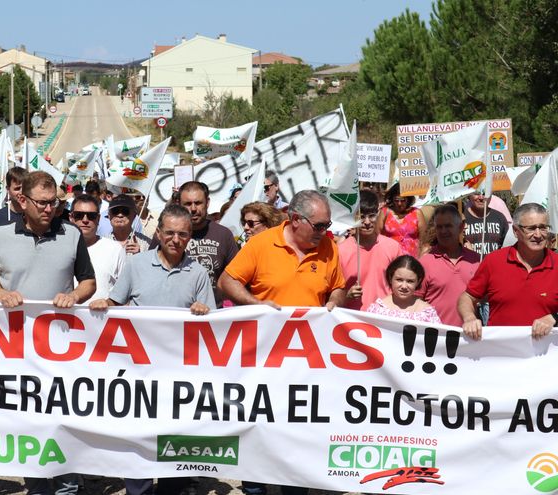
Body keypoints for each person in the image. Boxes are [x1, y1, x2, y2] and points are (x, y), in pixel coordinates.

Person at [218, 190, 345, 495]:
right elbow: (227, 281)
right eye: (319, 225)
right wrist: (253, 303)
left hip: (307, 362)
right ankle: (254, 487)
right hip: (263, 358)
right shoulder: (262, 243)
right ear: (295, 219)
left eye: (327, 225)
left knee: (296, 432)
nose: (325, 232)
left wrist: (334, 304)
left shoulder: (329, 247)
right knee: (258, 425)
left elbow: (338, 287)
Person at [0, 170, 95, 495]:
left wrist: (75, 295)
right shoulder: (0, 236)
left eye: (54, 202)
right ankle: (38, 488)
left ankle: (67, 487)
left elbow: (88, 281)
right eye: (42, 203)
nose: (49, 208)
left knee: (62, 424)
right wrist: (0, 293)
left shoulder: (71, 234)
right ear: (22, 200)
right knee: (29, 427)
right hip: (18, 352)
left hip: (61, 351)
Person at [90, 204, 214, 495]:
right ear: (158, 232)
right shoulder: (136, 265)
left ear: (190, 237)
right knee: (140, 441)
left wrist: (203, 309)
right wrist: (102, 304)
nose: (175, 239)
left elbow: (212, 324)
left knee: (176, 438)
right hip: (139, 373)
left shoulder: (198, 273)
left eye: (182, 234)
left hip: (180, 373)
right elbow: (116, 303)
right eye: (169, 232)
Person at [459, 203, 558, 340]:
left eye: (543, 228)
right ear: (516, 231)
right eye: (531, 228)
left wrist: (554, 318)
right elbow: (467, 297)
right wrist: (469, 318)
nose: (538, 234)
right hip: (501, 356)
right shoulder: (494, 261)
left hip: (545, 356)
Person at [155, 181, 238, 306]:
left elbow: (236, 277)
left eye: (198, 203)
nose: (193, 209)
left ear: (207, 202)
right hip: (174, 313)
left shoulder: (224, 235)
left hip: (213, 314)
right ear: (178, 204)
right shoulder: (165, 234)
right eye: (188, 204)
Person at [338, 190, 402, 311]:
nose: (367, 222)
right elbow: (331, 294)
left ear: (378, 214)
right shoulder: (340, 251)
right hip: (352, 320)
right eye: (361, 217)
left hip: (384, 318)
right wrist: (346, 296)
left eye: (371, 216)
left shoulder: (393, 247)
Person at [418, 204, 480, 326]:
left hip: (469, 337)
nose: (443, 231)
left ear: (461, 227)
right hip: (436, 337)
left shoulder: (475, 259)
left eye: (448, 226)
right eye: (439, 227)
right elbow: (416, 301)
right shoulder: (425, 262)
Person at [70, 194, 125, 302]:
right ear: (71, 217)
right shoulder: (59, 248)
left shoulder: (115, 249)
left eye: (91, 216)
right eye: (79, 215)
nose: (85, 220)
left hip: (102, 317)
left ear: (98, 218)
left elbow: (124, 292)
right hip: (65, 317)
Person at [366, 255, 441, 323]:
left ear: (418, 281)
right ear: (390, 278)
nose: (404, 286)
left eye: (410, 281)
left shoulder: (428, 313)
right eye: (399, 280)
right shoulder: (377, 310)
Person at [378, 183, 425, 257]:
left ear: (408, 199)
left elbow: (424, 240)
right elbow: (377, 236)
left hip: (412, 259)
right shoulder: (385, 212)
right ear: (392, 199)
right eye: (396, 200)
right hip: (390, 257)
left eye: (403, 200)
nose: (399, 204)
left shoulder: (417, 213)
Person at [463, 192, 508, 256]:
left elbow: (507, 245)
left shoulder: (499, 217)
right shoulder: (462, 218)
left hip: (493, 264)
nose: (481, 197)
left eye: (484, 193)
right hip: (470, 264)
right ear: (469, 195)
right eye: (477, 193)